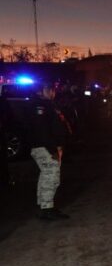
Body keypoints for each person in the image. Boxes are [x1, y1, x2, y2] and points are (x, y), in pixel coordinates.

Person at [25, 82, 69, 220]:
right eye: (50, 90)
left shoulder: (46, 104)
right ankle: (47, 208)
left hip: (47, 146)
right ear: (43, 90)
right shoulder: (39, 105)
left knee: (47, 176)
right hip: (44, 147)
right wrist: (52, 149)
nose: (53, 93)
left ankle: (44, 205)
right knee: (51, 176)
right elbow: (42, 131)